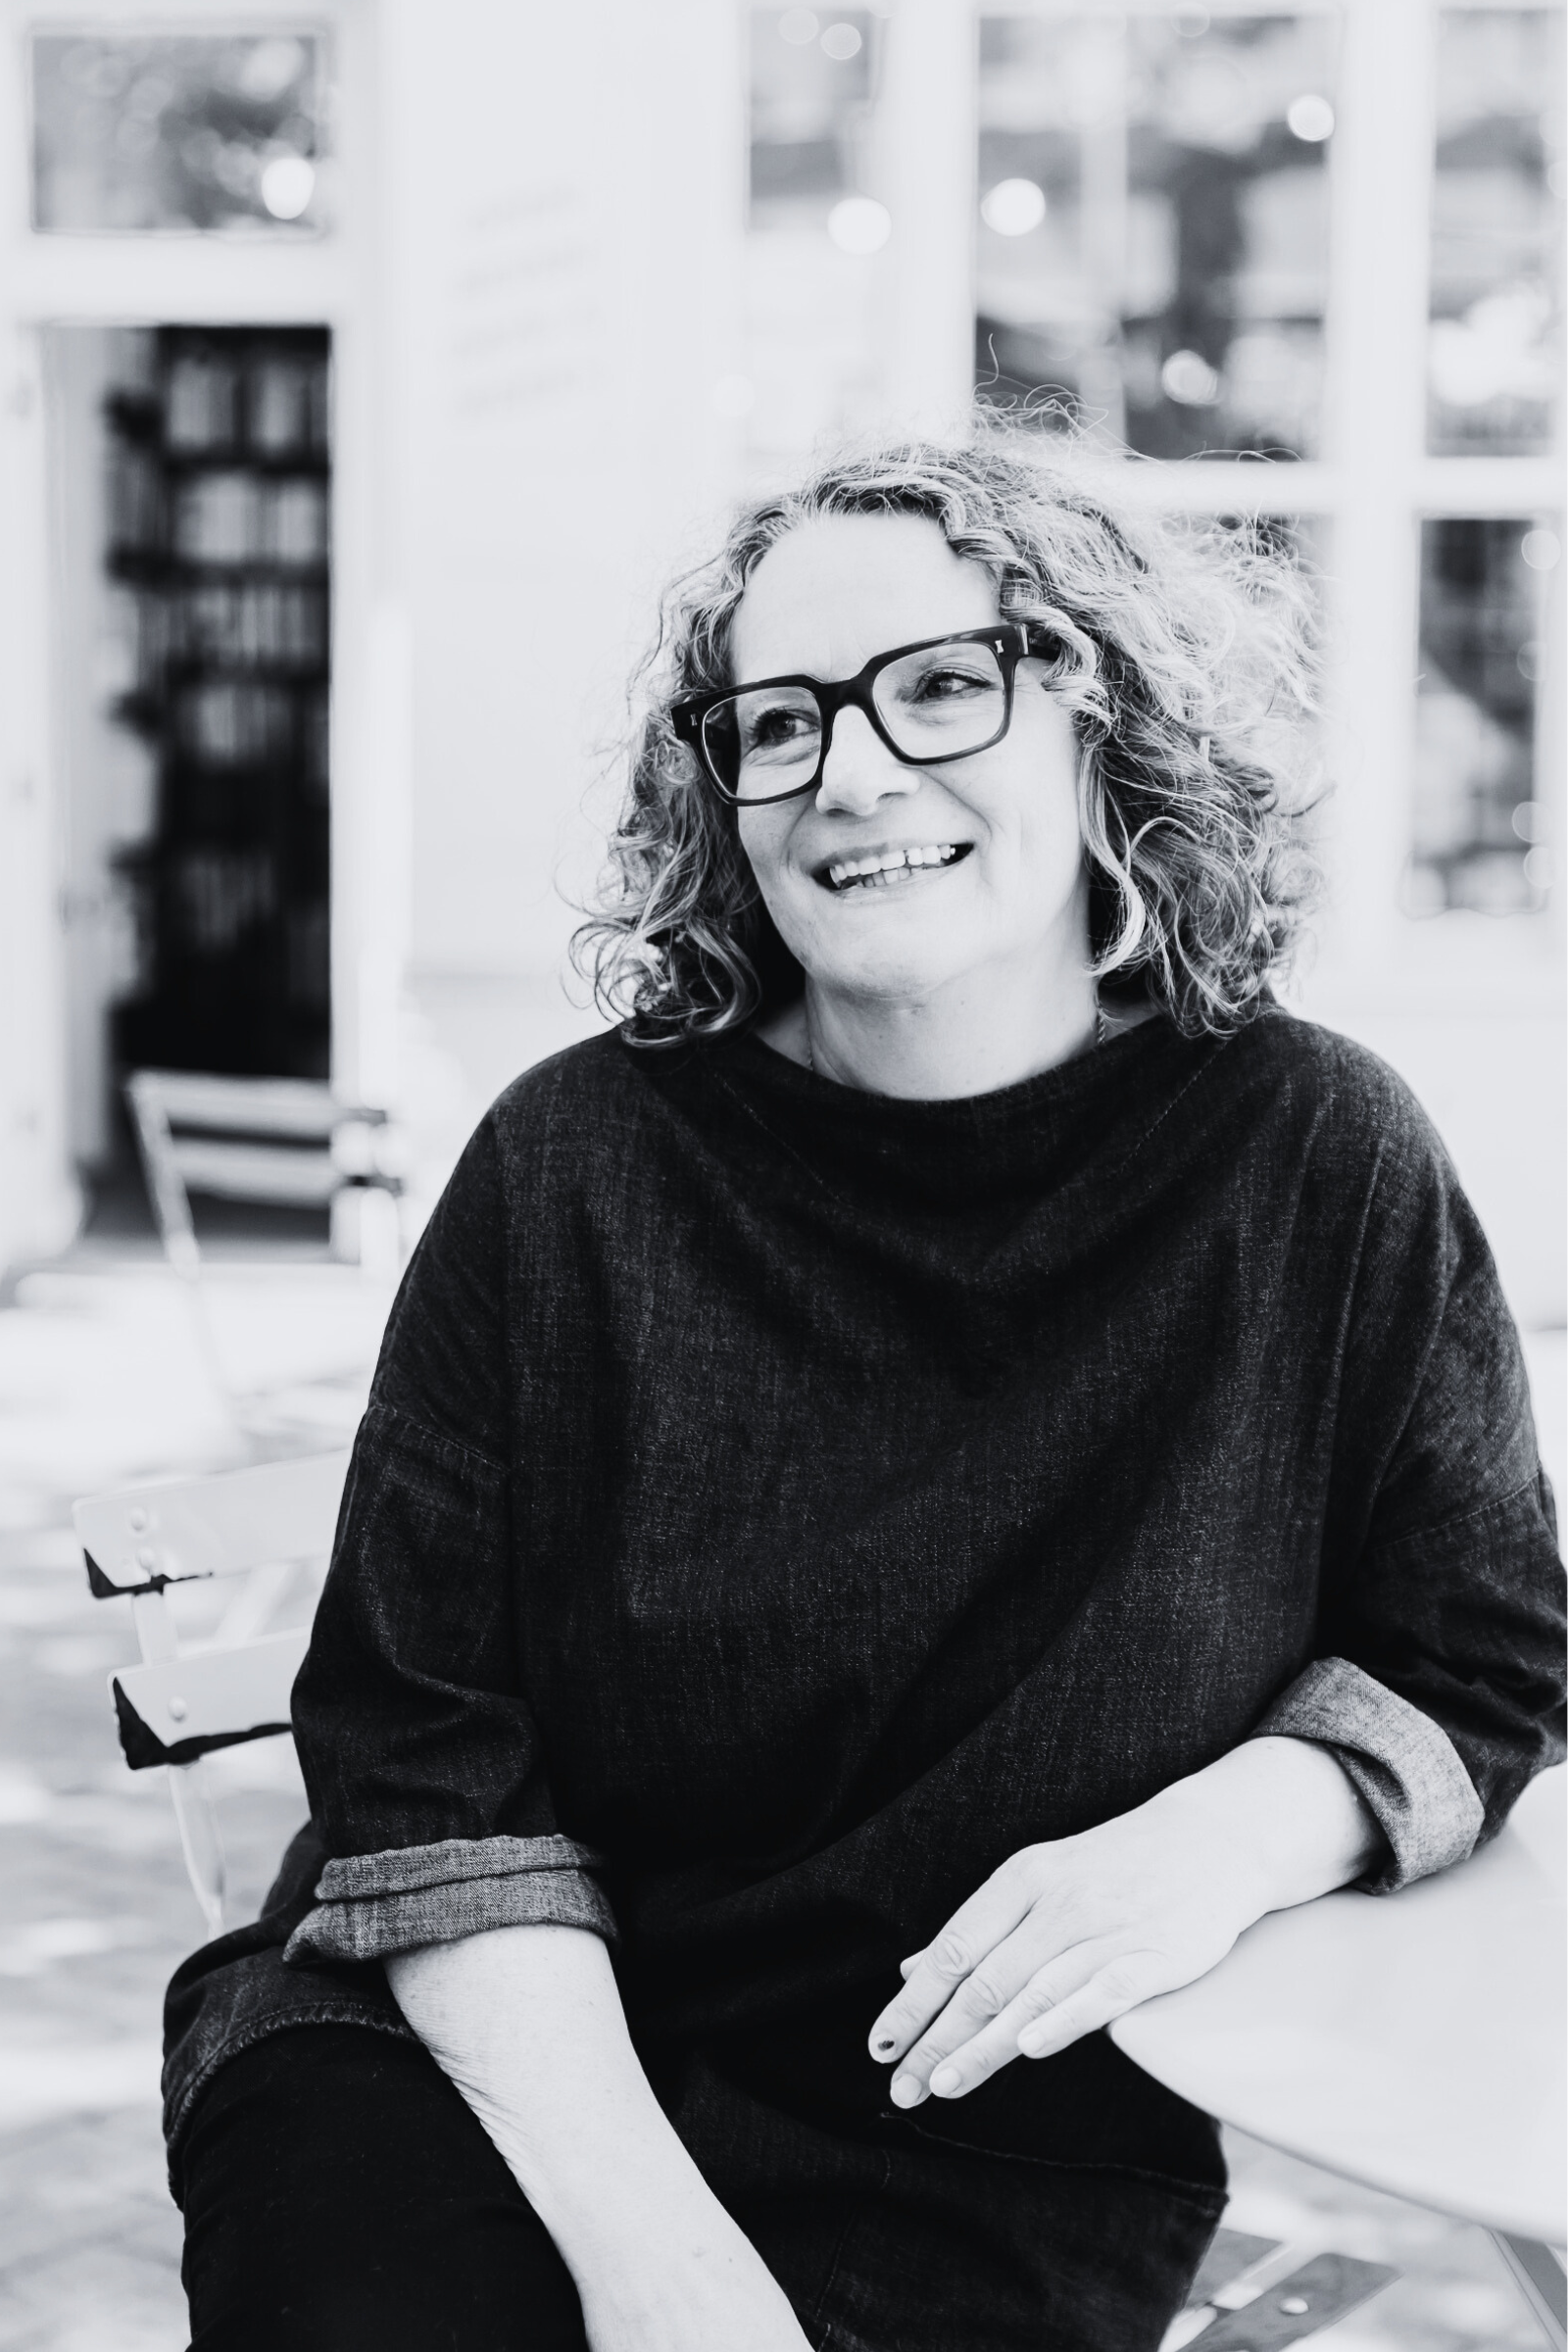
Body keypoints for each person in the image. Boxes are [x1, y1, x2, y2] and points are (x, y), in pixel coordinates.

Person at [165, 433, 1565, 2352]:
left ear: (1098, 709)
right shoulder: (574, 1172)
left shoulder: (1309, 1161)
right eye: (778, 721)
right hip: (483, 2048)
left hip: (999, 2121)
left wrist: (1223, 1837)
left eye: (935, 686)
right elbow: (421, 1773)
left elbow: (1478, 1653)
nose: (849, 775)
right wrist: (660, 2273)